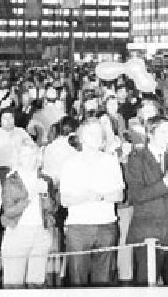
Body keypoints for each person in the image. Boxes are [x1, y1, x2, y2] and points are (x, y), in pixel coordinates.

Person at [59, 120, 125, 287]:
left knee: (103, 279)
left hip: (106, 225)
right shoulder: (70, 164)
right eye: (90, 133)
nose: (95, 138)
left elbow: (119, 195)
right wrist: (84, 197)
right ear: (81, 138)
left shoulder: (111, 162)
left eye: (98, 134)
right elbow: (64, 200)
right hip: (79, 228)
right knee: (77, 279)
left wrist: (101, 196)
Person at [124, 116, 168, 286]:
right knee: (145, 287)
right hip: (148, 234)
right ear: (150, 134)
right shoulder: (136, 159)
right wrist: (166, 181)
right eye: (163, 132)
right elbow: (136, 195)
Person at [0, 142, 57, 288]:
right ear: (19, 157)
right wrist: (30, 196)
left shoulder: (45, 179)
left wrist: (44, 193)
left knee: (37, 283)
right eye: (24, 155)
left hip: (40, 233)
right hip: (17, 232)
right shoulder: (11, 180)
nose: (29, 159)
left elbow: (52, 209)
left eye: (32, 155)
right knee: (14, 283)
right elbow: (9, 211)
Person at [0, 107, 34, 183]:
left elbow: (32, 149)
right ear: (0, 121)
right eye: (5, 118)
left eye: (11, 118)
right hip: (2, 172)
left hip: (21, 171)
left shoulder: (21, 132)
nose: (8, 121)